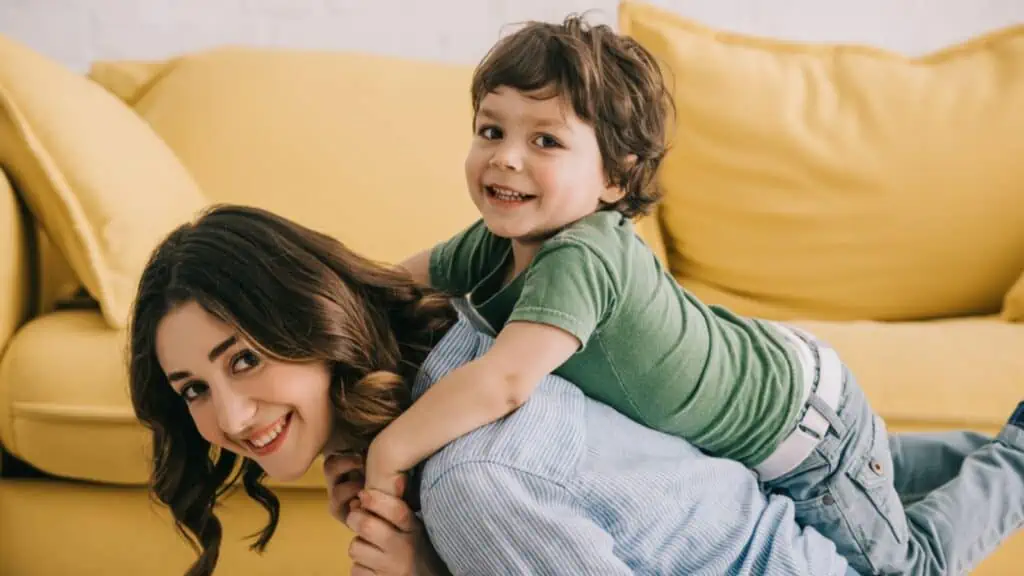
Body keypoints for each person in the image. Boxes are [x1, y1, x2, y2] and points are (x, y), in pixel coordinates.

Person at [363, 14, 1024, 576]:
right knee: (876, 469)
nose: (505, 157)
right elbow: (390, 285)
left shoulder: (583, 255)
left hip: (800, 433)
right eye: (490, 130)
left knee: (909, 565)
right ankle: (978, 451)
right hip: (788, 392)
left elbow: (504, 382)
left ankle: (1016, 461)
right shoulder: (496, 241)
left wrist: (387, 450)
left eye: (545, 140)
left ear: (616, 181)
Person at [129, 205, 1024, 575]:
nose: (229, 418)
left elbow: (500, 491)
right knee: (896, 465)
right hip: (757, 490)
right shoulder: (459, 340)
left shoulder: (470, 482)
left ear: (311, 318)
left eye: (243, 359)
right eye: (192, 390)